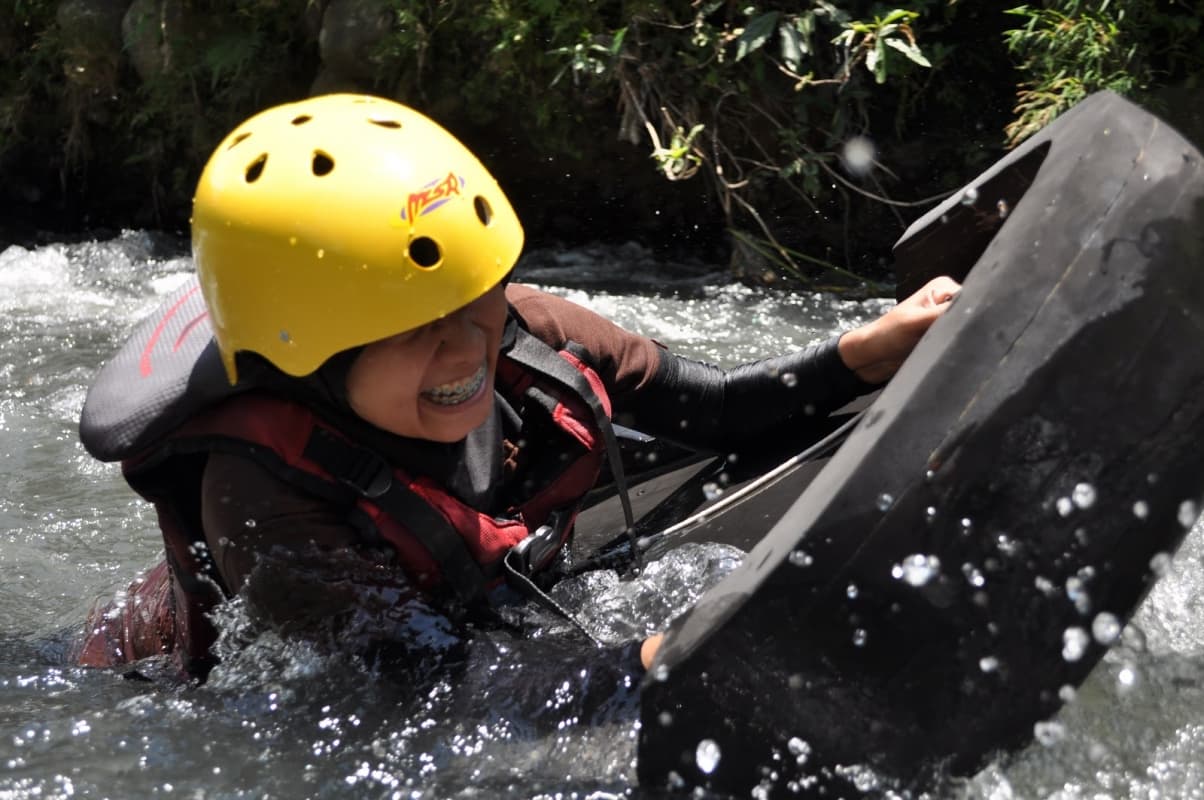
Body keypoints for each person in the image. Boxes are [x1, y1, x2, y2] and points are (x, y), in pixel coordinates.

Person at [75, 93, 960, 680]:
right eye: (417, 327)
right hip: (153, 682)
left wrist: (862, 351)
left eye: (476, 300)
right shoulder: (263, 492)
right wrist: (652, 662)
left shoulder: (527, 330)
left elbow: (715, 409)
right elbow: (413, 685)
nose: (468, 347)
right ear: (310, 355)